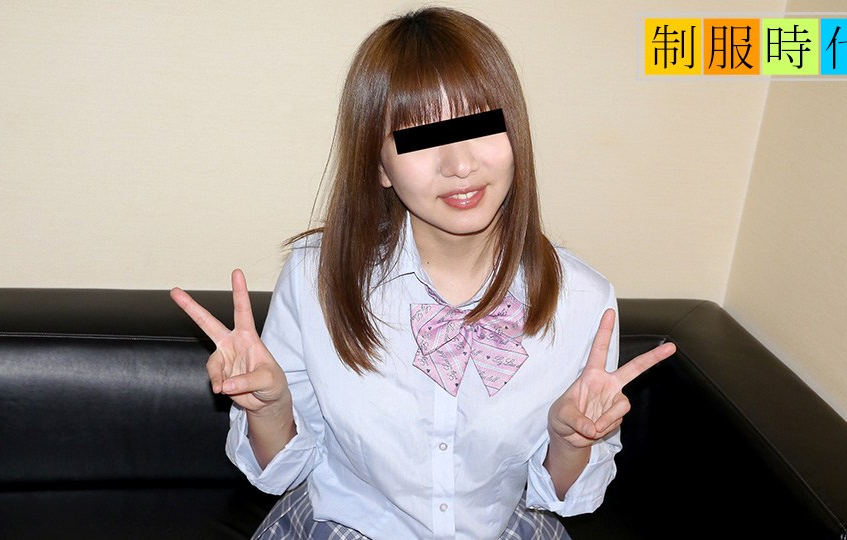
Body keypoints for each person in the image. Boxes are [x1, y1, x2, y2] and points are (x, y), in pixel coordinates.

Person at [171, 6, 674, 539]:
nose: (460, 165)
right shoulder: (317, 278)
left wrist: (571, 442)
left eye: (481, 124)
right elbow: (282, 473)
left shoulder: (583, 300)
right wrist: (270, 409)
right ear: (379, 167)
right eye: (420, 137)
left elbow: (565, 497)